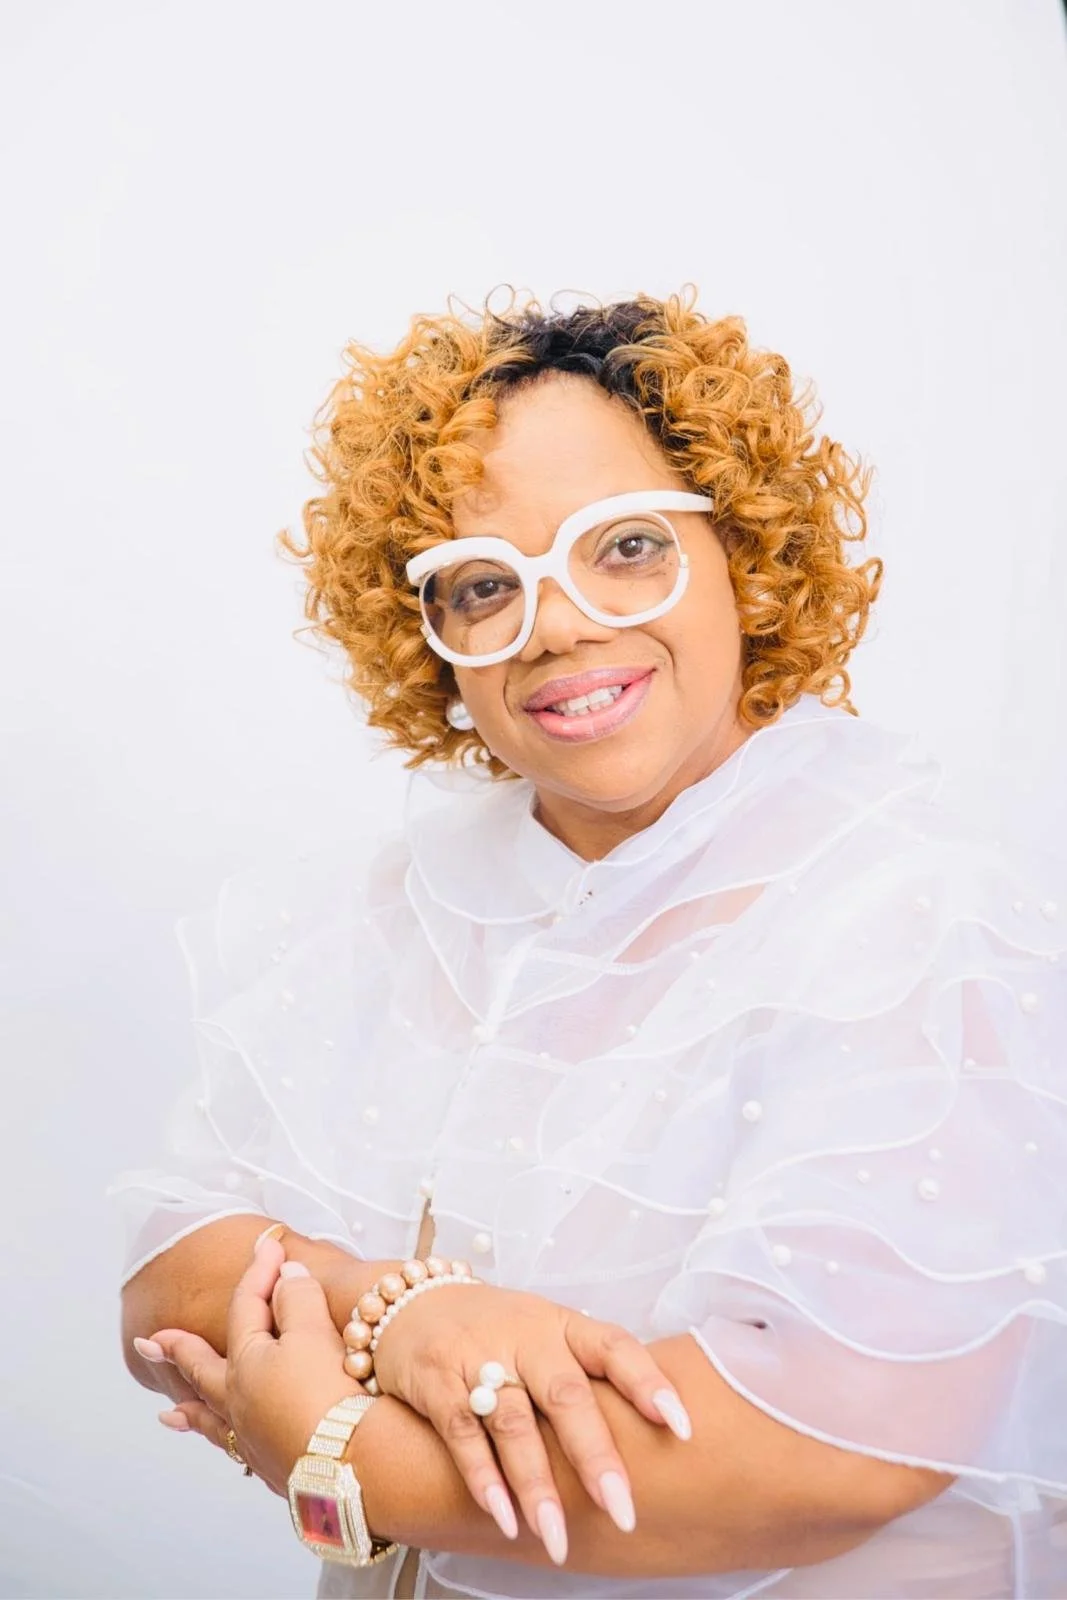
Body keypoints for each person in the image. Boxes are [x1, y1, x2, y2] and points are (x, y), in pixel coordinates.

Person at [112, 288, 1067, 1599]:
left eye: (624, 547)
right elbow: (169, 1281)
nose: (556, 624)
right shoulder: (394, 908)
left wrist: (343, 1457)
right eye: (483, 584)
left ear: (746, 554)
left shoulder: (906, 923)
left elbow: (833, 1453)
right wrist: (408, 1307)